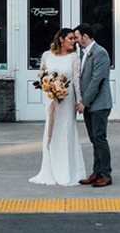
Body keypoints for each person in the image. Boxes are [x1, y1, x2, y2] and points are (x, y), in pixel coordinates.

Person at [29, 27, 86, 186]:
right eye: (70, 38)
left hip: (67, 101)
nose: (74, 42)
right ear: (61, 39)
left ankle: (68, 170)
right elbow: (42, 76)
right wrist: (49, 87)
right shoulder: (47, 55)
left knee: (66, 131)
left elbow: (76, 81)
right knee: (51, 132)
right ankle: (50, 171)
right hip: (52, 100)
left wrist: (79, 101)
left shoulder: (74, 57)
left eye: (74, 39)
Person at [74, 22, 112, 187]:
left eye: (76, 37)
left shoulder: (100, 53)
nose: (75, 40)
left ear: (85, 36)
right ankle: (96, 173)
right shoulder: (84, 54)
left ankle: (106, 174)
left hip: (99, 104)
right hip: (90, 105)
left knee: (100, 139)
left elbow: (97, 80)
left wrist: (84, 102)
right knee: (94, 140)